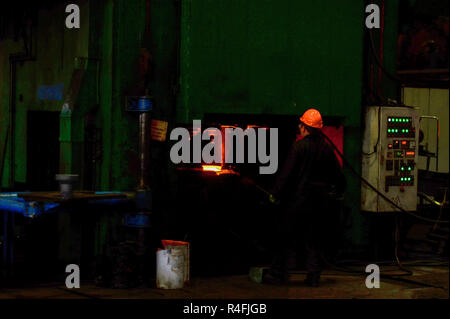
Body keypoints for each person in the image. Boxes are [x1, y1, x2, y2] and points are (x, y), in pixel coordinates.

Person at [263, 108, 346, 287]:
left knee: (286, 238)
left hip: (298, 202)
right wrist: (339, 190)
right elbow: (337, 175)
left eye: (300, 124)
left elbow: (286, 175)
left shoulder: (298, 147)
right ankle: (313, 276)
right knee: (313, 239)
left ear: (303, 126)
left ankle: (278, 274)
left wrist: (275, 194)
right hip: (320, 203)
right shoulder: (327, 149)